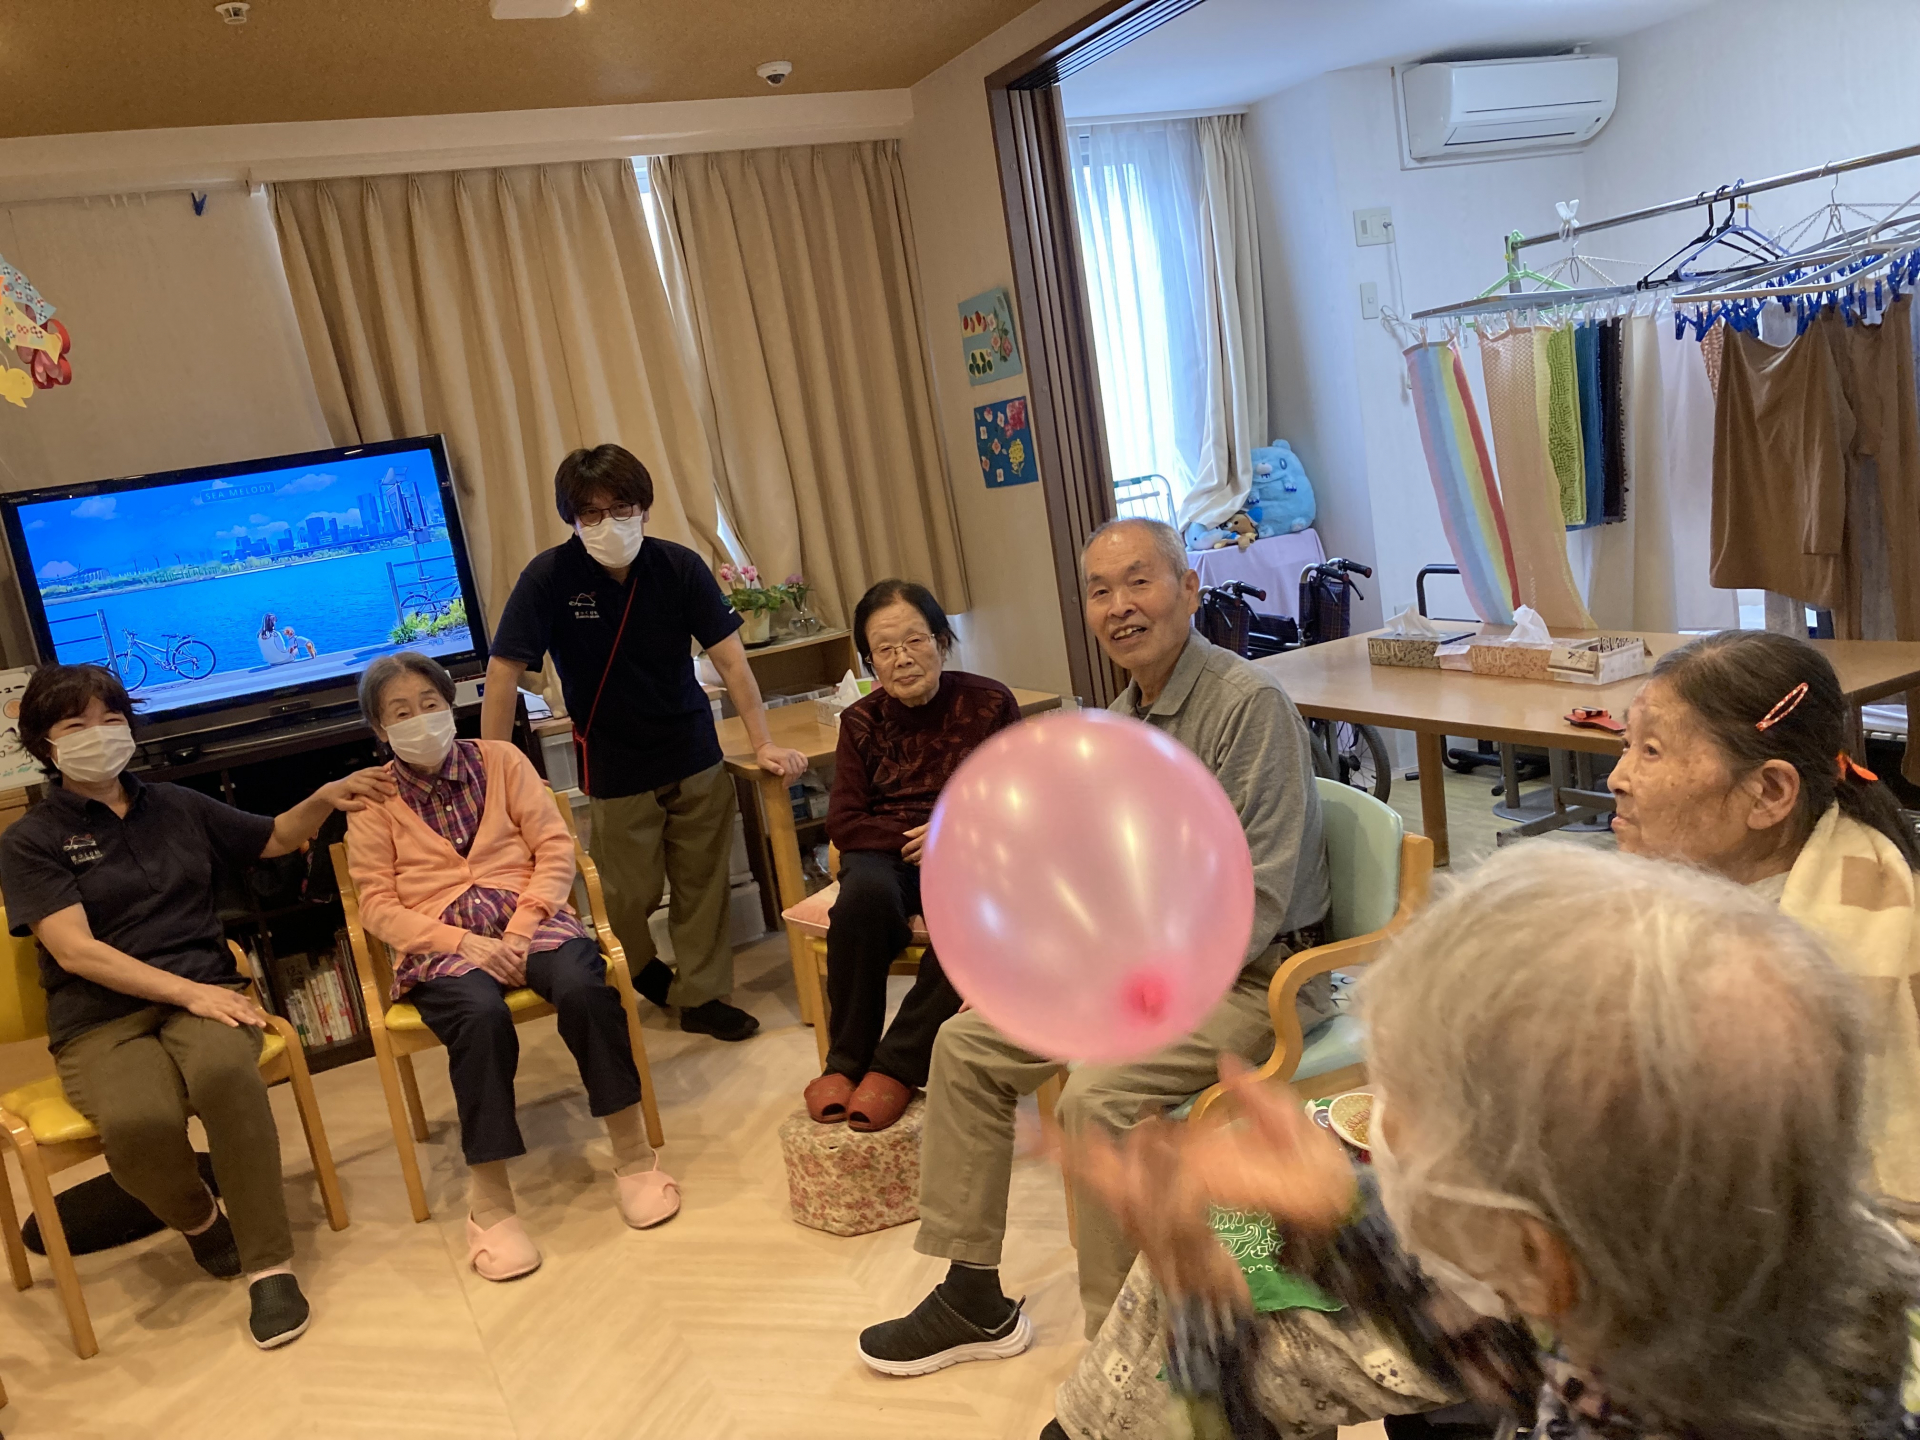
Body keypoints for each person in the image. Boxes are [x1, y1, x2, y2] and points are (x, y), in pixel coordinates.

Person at [1055, 626, 1920, 1439]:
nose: (1619, 776)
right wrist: (1339, 1221)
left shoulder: (1783, 992)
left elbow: (1500, 1323)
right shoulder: (1721, 1307)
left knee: (1227, 1268)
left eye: (1652, 751)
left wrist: (1213, 1304)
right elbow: (1528, 1326)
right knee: (1240, 1225)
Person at [858, 516, 1330, 1375]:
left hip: (1253, 977)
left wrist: (1142, 989)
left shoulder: (1248, 706)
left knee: (1097, 1098)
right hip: (1135, 971)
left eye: (1140, 581)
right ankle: (972, 1296)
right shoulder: (1116, 723)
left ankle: (1122, 1355)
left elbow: (1258, 894)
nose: (1119, 606)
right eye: (1100, 590)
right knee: (963, 1045)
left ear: (1190, 589)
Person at [0, 663, 395, 1349]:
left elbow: (273, 836)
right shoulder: (29, 840)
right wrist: (189, 992)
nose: (99, 735)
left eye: (111, 720)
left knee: (224, 1076)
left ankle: (269, 1265)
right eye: (75, 725)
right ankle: (201, 1220)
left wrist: (325, 796)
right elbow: (76, 952)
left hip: (205, 992)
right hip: (100, 1016)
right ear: (43, 743)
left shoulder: (176, 805)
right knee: (140, 1121)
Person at [347, 652, 677, 1283]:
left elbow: (553, 848)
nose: (419, 720)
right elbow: (377, 906)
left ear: (450, 707)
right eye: (400, 713)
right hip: (441, 943)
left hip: (532, 917)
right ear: (379, 730)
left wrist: (522, 927)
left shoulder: (502, 761)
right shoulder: (371, 801)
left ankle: (634, 1154)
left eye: (429, 705)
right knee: (479, 1017)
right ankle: (491, 1202)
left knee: (583, 986)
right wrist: (461, 942)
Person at [480, 445, 807, 1044]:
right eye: (591, 512)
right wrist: (495, 773)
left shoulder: (679, 566)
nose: (608, 522)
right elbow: (503, 673)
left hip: (692, 749)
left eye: (621, 508)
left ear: (644, 509)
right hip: (614, 762)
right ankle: (644, 969)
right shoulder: (549, 577)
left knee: (702, 885)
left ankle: (702, 997)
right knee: (623, 896)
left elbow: (732, 662)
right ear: (573, 519)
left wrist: (762, 743)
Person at [1607, 628, 1920, 1235]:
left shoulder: (1814, 959)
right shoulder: (1716, 880)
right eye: (1627, 743)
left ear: (1770, 793)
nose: (1619, 776)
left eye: (1652, 751)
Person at [804, 579, 1021, 1133]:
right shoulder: (860, 722)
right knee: (862, 901)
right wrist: (912, 835)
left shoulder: (990, 703)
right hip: (888, 853)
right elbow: (844, 821)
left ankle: (896, 1066)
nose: (902, 659)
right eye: (884, 648)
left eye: (914, 641)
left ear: (942, 642)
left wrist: (954, 829)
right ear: (869, 662)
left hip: (973, 852)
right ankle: (845, 1061)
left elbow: (1021, 798)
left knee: (977, 925)